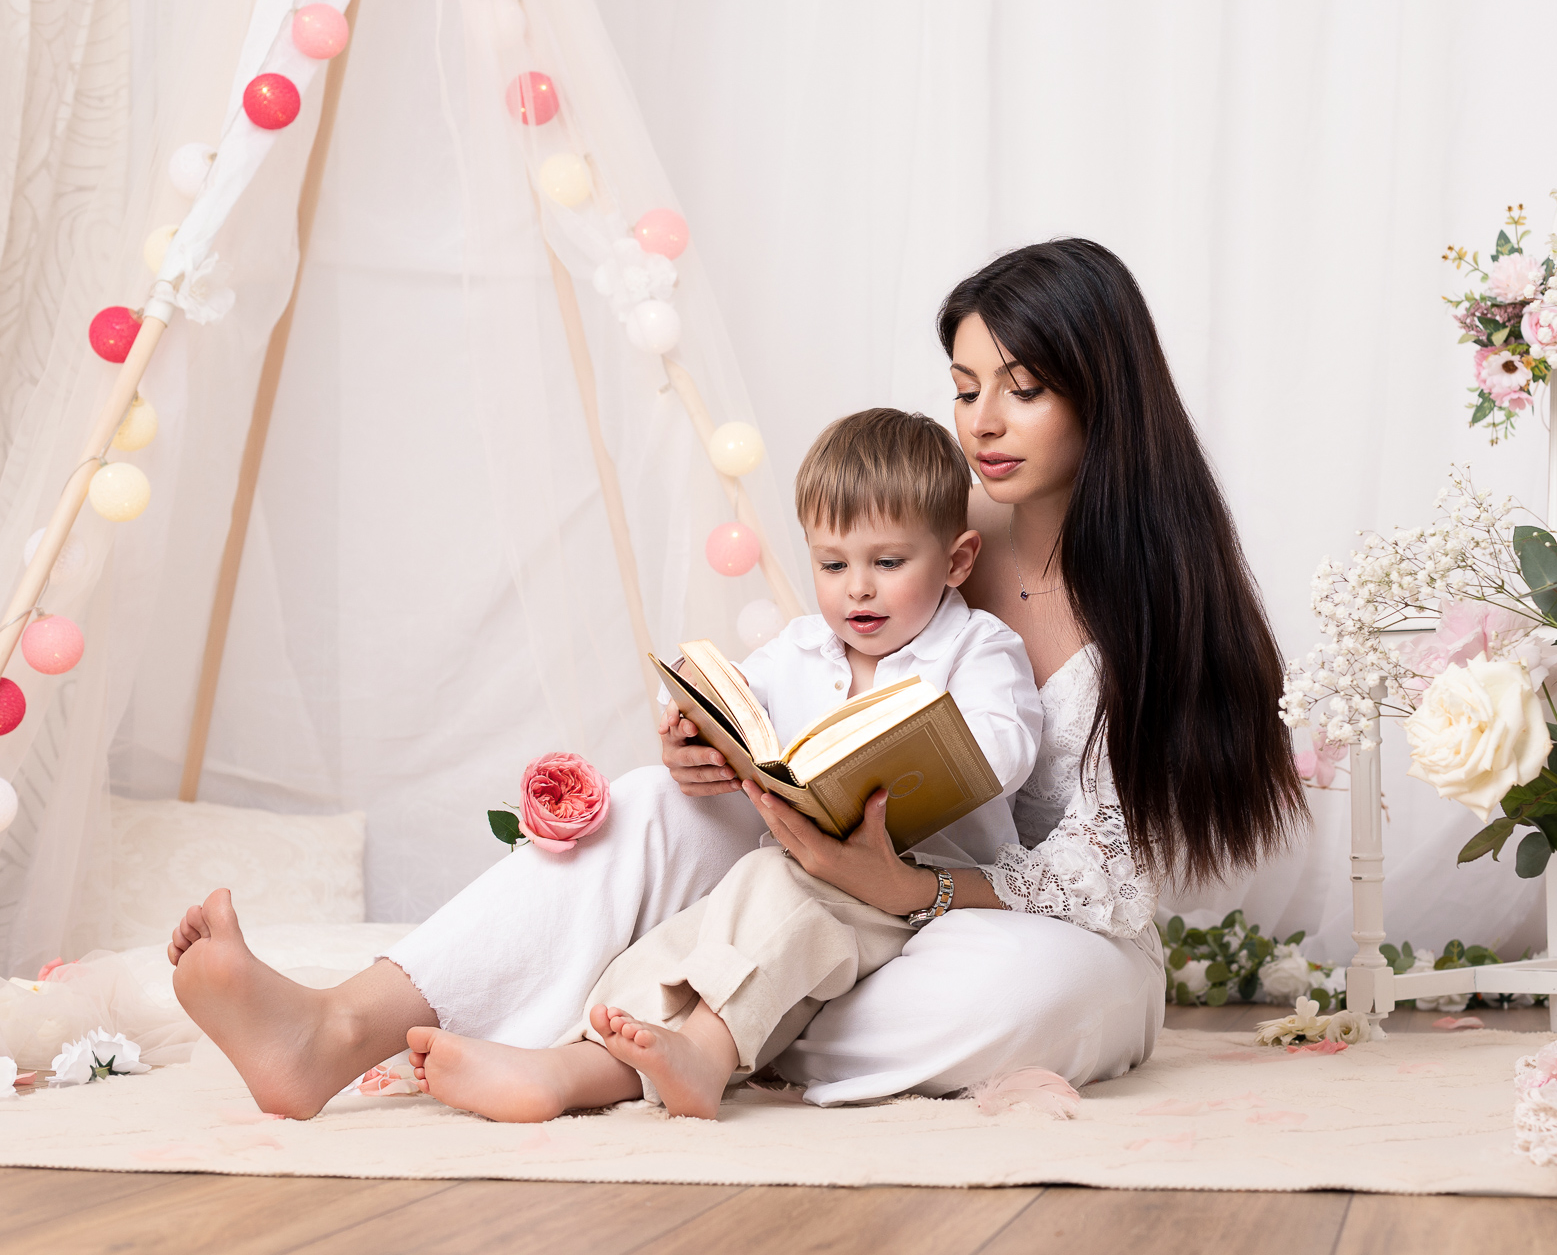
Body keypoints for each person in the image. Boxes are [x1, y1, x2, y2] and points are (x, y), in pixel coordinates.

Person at [167, 237, 1305, 1119]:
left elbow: (1110, 883)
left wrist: (918, 893)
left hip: (1016, 924)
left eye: (1022, 386)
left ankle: (621, 1051)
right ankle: (334, 1027)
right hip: (830, 874)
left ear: (1105, 389)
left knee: (1022, 994)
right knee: (657, 805)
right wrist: (712, 750)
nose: (984, 421)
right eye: (965, 387)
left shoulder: (1167, 604)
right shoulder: (929, 539)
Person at [398, 408, 1043, 1120]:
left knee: (776, 891)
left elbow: (1006, 748)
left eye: (887, 563)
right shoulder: (800, 648)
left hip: (909, 890)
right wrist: (692, 728)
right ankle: (567, 1070)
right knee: (694, 934)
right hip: (803, 867)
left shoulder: (979, 648)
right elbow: (736, 698)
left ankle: (702, 1055)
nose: (856, 588)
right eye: (832, 564)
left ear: (956, 561)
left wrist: (914, 742)